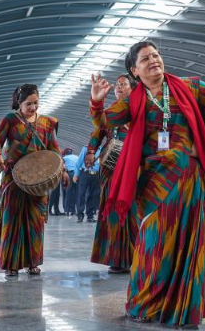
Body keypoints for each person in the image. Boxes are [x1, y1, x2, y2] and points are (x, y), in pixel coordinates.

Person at [90, 41, 205, 326]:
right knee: (154, 243)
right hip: (155, 181)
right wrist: (96, 101)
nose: (154, 60)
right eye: (145, 59)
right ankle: (146, 302)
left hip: (191, 177)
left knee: (196, 239)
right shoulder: (133, 99)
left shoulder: (187, 86)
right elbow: (104, 123)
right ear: (134, 70)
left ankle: (187, 304)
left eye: (156, 55)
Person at [0, 84, 69, 277]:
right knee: (13, 218)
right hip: (14, 176)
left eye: (36, 103)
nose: (33, 108)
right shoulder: (10, 120)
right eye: (28, 104)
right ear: (19, 102)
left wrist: (63, 170)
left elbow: (53, 148)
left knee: (35, 220)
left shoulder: (47, 123)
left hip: (39, 178)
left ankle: (33, 262)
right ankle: (11, 263)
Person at [86, 73, 135, 274]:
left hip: (134, 168)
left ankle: (138, 256)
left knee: (133, 210)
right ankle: (116, 258)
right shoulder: (109, 113)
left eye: (124, 85)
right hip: (110, 170)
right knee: (113, 210)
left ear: (133, 88)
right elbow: (97, 133)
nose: (119, 88)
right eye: (117, 86)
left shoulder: (139, 111)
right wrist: (90, 152)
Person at [74, 146, 100, 223]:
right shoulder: (85, 148)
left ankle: (90, 216)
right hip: (85, 173)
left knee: (93, 195)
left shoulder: (101, 149)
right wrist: (76, 174)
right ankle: (80, 215)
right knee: (81, 194)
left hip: (96, 175)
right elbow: (79, 162)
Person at [62, 148, 79, 216]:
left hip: (69, 174)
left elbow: (62, 167)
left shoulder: (64, 158)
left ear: (66, 153)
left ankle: (68, 210)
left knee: (68, 193)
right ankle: (76, 210)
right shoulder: (76, 157)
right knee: (77, 193)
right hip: (76, 175)